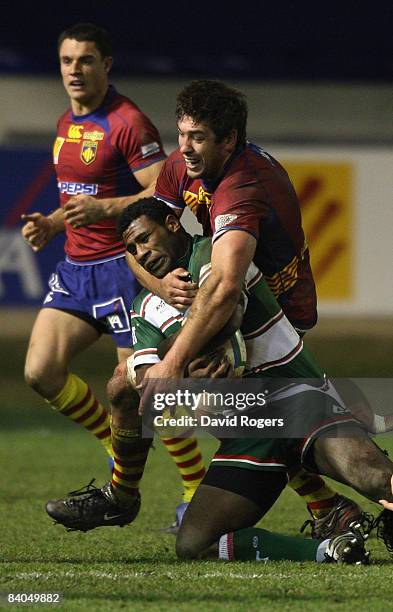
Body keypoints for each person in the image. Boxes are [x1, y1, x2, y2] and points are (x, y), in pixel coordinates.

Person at [45, 199, 393, 565]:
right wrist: (178, 373)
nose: (142, 253)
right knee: (194, 544)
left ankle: (332, 505)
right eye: (132, 249)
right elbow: (150, 378)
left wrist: (190, 358)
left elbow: (228, 310)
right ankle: (330, 549)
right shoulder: (144, 307)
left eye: (146, 239)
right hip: (251, 433)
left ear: (172, 224)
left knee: (372, 477)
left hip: (299, 402)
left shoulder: (215, 250)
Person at [127, 80, 362, 535]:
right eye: (181, 134)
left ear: (229, 139)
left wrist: (174, 361)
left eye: (198, 137)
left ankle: (335, 499)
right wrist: (160, 284)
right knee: (238, 412)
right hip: (235, 303)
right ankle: (328, 507)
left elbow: (227, 286)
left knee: (239, 409)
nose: (186, 149)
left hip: (279, 311)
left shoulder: (245, 184)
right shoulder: (182, 166)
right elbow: (139, 236)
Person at [21, 23, 205, 516]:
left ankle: (195, 487)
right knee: (40, 371)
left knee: (145, 388)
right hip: (76, 270)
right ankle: (114, 441)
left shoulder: (127, 122)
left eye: (85, 60)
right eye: (66, 61)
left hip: (122, 269)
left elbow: (161, 191)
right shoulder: (65, 122)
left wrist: (105, 212)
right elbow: (80, 198)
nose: (74, 70)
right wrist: (53, 222)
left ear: (106, 65)